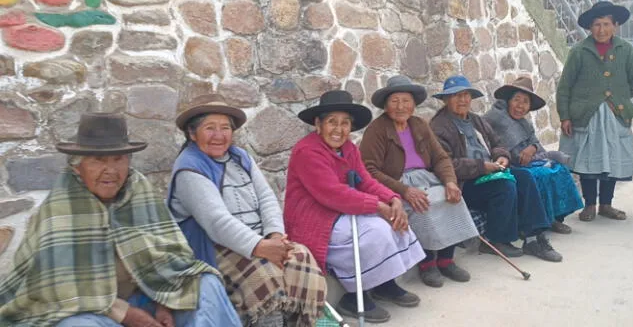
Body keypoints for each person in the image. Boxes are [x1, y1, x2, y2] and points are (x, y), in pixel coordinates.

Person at [0, 113, 241, 327]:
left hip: (148, 295)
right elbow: (58, 291)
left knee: (206, 284)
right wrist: (125, 315)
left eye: (118, 159)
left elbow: (171, 259)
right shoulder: (59, 210)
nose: (111, 170)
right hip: (93, 311)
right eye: (98, 161)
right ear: (77, 168)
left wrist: (166, 303)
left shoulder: (138, 191)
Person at [167, 94, 326, 327]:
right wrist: (262, 247)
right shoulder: (189, 168)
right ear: (192, 134)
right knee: (264, 273)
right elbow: (217, 223)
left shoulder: (240, 157)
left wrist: (274, 237)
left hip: (258, 239)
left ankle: (300, 322)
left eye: (225, 128)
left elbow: (266, 197)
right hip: (213, 247)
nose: (219, 136)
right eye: (210, 128)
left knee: (299, 256)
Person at [284, 90, 424, 323]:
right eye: (332, 122)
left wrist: (393, 199)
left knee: (394, 220)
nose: (339, 130)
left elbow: (365, 180)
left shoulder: (348, 148)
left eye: (345, 123)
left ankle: (384, 283)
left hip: (341, 211)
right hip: (315, 219)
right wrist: (378, 207)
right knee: (375, 231)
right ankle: (354, 296)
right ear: (318, 124)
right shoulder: (307, 151)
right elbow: (333, 194)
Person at [360, 75, 478, 288]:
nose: (400, 106)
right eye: (394, 101)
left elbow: (440, 157)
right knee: (422, 203)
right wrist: (404, 190)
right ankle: (426, 263)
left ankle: (445, 259)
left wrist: (450, 181)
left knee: (452, 197)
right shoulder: (377, 130)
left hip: (425, 177)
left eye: (406, 101)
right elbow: (369, 170)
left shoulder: (419, 125)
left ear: (413, 104)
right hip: (395, 183)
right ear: (386, 105)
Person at [430, 76, 562, 262]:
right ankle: (497, 239)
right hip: (465, 183)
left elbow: (497, 144)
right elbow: (445, 164)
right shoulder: (438, 127)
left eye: (466, 95)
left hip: (490, 172)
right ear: (446, 99)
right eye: (456, 96)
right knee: (504, 186)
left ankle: (534, 238)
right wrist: (482, 167)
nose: (462, 100)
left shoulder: (476, 121)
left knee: (524, 177)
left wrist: (502, 157)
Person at [557, 1, 633, 222]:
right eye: (596, 25)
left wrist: (618, 98)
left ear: (616, 26)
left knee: (610, 158)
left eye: (606, 24)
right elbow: (565, 87)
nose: (601, 30)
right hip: (587, 115)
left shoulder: (626, 50)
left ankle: (606, 204)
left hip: (615, 115)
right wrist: (565, 115)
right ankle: (590, 205)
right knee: (588, 160)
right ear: (589, 28)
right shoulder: (579, 52)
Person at [484, 77, 584, 234]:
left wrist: (532, 147)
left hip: (528, 161)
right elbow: (493, 147)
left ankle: (555, 218)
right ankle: (537, 222)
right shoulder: (495, 117)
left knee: (559, 169)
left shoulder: (525, 124)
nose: (520, 106)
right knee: (539, 175)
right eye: (517, 100)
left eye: (525, 102)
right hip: (506, 164)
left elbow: (535, 142)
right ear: (508, 100)